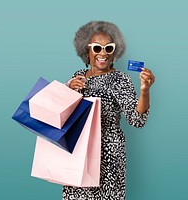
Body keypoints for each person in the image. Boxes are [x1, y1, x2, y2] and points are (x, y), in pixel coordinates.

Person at [63, 20, 155, 200]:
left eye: (108, 48)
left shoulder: (120, 80)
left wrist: (145, 90)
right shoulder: (77, 76)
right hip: (78, 152)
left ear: (114, 52)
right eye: (97, 48)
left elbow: (137, 119)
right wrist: (67, 89)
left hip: (108, 157)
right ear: (87, 51)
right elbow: (64, 116)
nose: (103, 53)